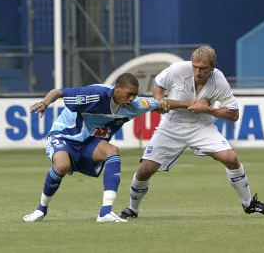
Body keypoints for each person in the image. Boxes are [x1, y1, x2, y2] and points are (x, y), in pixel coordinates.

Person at [23, 73, 209, 223]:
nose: (132, 98)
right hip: (65, 135)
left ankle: (105, 212)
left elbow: (162, 103)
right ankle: (41, 209)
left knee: (112, 151)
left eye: (134, 94)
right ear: (117, 88)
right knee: (62, 166)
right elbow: (58, 92)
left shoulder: (135, 104)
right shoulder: (95, 94)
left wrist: (191, 104)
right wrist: (44, 103)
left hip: (89, 140)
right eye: (128, 94)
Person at [120, 46, 264, 220]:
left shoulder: (219, 80)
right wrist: (159, 102)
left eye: (203, 68)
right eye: (195, 66)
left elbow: (234, 114)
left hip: (202, 126)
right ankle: (132, 209)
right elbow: (159, 84)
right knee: (144, 171)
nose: (198, 71)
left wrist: (207, 108)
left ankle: (248, 204)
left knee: (231, 159)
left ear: (213, 68)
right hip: (171, 126)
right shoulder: (177, 70)